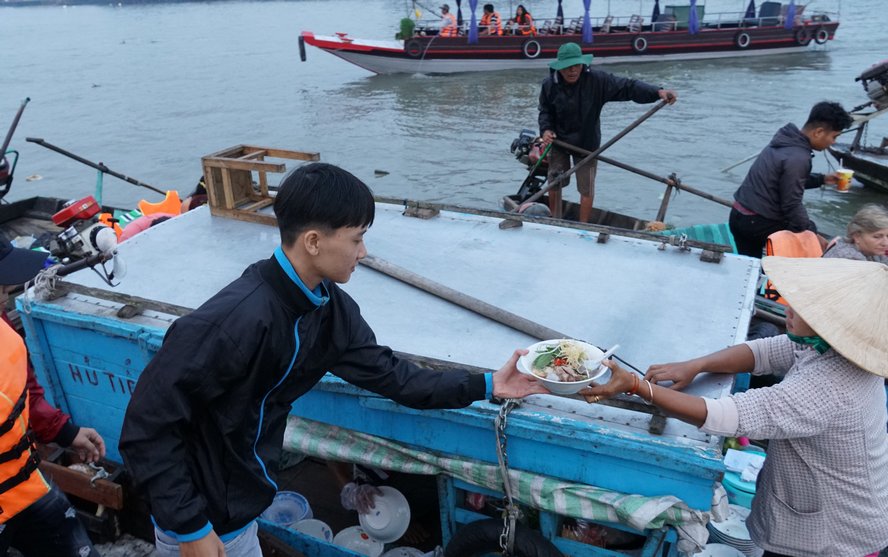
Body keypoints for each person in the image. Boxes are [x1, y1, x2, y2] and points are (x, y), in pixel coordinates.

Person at [119, 162, 546, 557]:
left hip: (242, 509)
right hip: (196, 523)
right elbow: (147, 427)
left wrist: (488, 385)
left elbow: (396, 377)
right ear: (313, 241)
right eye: (357, 237)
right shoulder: (233, 321)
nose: (363, 252)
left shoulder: (330, 309)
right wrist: (191, 528)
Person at [583, 256, 888, 556]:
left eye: (803, 308)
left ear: (830, 325)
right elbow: (763, 351)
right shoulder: (826, 347)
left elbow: (726, 416)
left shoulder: (829, 387)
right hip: (827, 511)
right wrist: (696, 365)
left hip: (834, 537)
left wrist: (638, 386)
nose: (788, 309)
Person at [0, 237, 106, 557]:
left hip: (23, 482)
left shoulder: (4, 329)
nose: (7, 293)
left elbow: (23, 392)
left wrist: (65, 432)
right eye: (2, 286)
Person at [538, 42, 677, 222]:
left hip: (586, 144)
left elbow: (628, 87)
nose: (572, 70)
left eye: (576, 65)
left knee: (586, 188)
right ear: (559, 67)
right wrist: (546, 130)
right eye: (567, 67)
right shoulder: (549, 84)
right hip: (559, 141)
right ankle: (553, 221)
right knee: (555, 183)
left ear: (582, 64)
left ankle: (584, 227)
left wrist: (658, 92)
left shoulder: (597, 81)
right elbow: (545, 111)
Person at [729, 101, 853, 258]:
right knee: (808, 231)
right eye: (834, 136)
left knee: (750, 264)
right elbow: (791, 204)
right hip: (756, 224)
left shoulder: (784, 140)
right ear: (819, 132)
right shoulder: (799, 157)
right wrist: (811, 233)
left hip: (738, 215)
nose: (833, 142)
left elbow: (785, 181)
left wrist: (822, 179)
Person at [822, 203, 888, 263]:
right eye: (877, 237)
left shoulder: (873, 252)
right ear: (857, 236)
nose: (885, 243)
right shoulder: (850, 258)